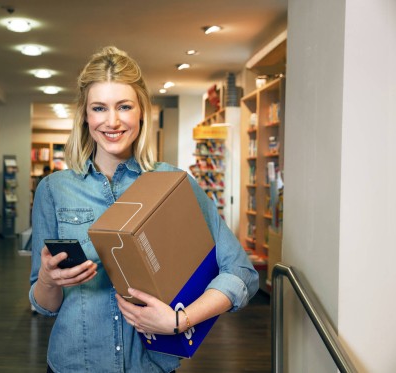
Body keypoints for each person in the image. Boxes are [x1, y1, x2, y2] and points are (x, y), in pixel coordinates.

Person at [29, 46, 259, 373]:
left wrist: (181, 320)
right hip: (74, 365)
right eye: (99, 108)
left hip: (151, 366)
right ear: (84, 115)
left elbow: (241, 272)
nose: (112, 121)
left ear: (141, 111)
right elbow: (44, 306)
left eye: (124, 106)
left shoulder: (174, 183)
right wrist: (49, 279)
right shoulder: (54, 190)